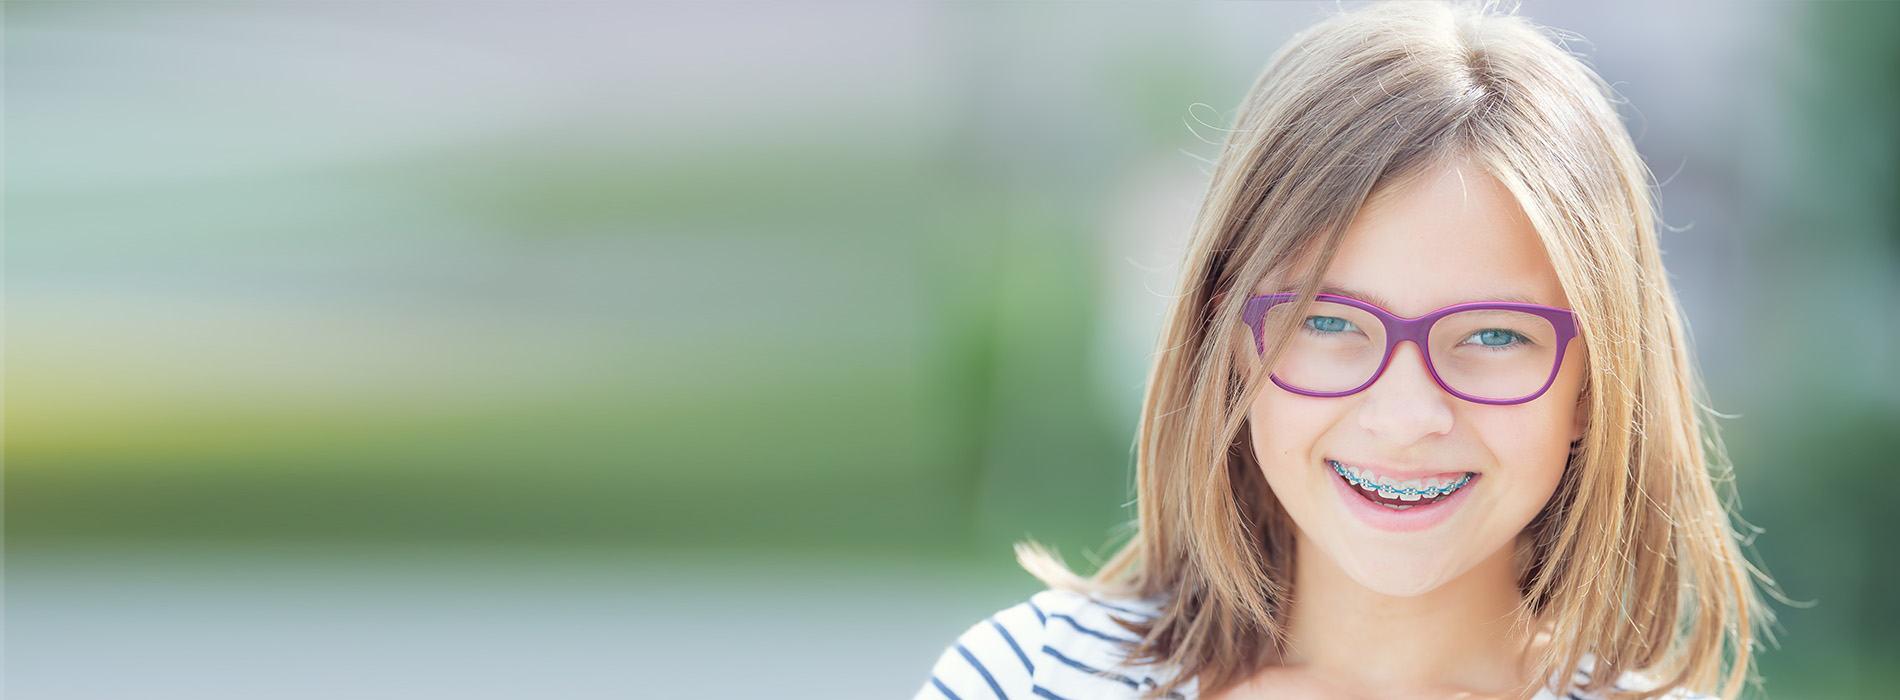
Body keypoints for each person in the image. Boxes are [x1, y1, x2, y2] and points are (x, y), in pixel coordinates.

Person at [913, 2, 1774, 700]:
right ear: (1233, 342)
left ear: (1593, 385)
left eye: (1494, 336)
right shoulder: (1028, 680)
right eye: (1328, 324)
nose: (1406, 419)